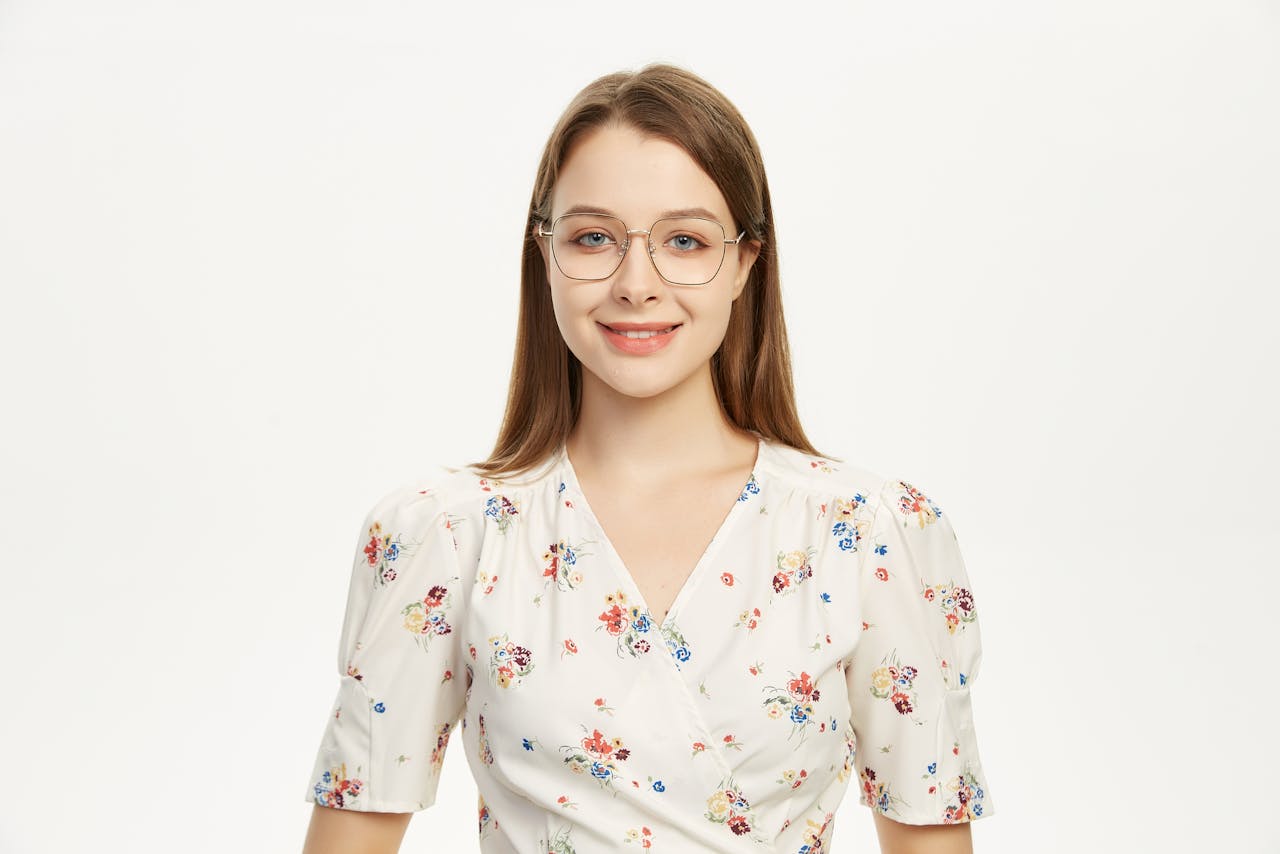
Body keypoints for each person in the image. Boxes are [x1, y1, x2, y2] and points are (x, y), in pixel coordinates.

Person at [301, 63, 994, 854]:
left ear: (746, 261)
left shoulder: (870, 533)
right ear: (544, 252)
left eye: (685, 241)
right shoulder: (445, 534)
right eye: (593, 238)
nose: (637, 284)